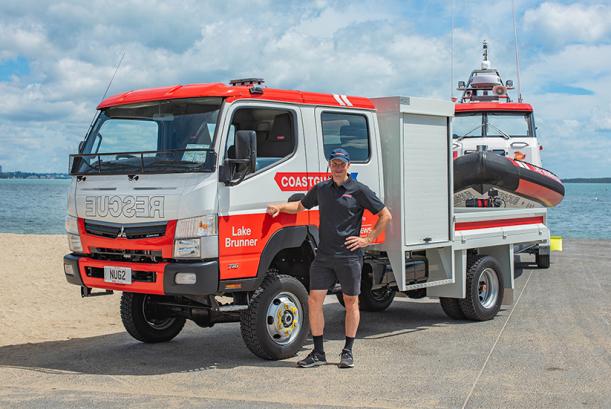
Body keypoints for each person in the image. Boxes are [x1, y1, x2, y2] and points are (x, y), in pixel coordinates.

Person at [266, 148, 392, 368]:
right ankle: (318, 353)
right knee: (314, 301)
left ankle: (348, 351)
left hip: (349, 257)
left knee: (351, 302)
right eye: (334, 163)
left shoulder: (359, 190)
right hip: (323, 256)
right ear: (329, 165)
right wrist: (279, 207)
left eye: (341, 164)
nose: (338, 167)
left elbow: (385, 215)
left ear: (348, 166)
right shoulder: (322, 189)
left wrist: (367, 239)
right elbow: (300, 206)